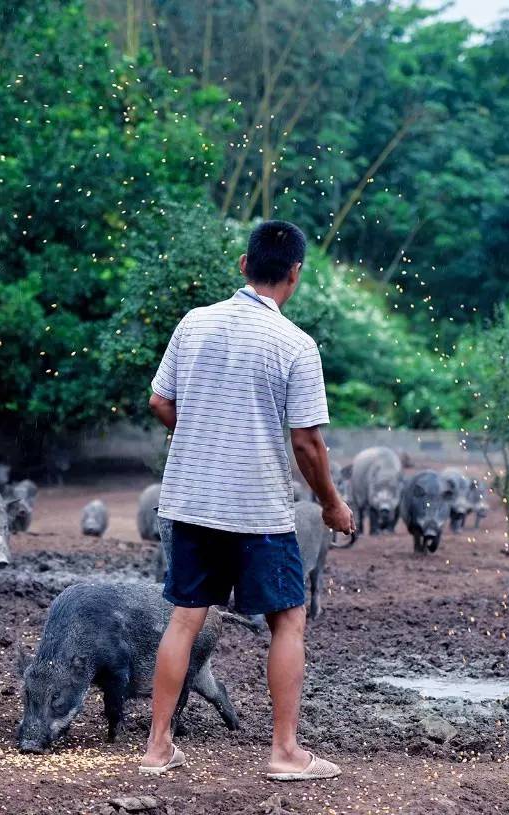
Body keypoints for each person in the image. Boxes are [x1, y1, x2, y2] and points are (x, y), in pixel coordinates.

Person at [138, 220, 354, 781]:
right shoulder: (295, 345)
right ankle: (284, 752)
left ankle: (157, 747)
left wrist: (198, 435)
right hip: (258, 508)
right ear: (295, 275)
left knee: (184, 619)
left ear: (242, 264)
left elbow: (161, 402)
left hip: (188, 501)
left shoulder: (194, 323)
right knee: (288, 618)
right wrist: (330, 503)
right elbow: (307, 441)